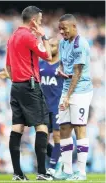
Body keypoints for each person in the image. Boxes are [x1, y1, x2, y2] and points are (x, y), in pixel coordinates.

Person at [3, 5, 53, 181]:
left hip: (16, 86)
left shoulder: (12, 37)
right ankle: (42, 172)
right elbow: (48, 55)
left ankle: (17, 174)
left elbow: (7, 67)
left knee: (17, 128)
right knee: (42, 126)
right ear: (33, 21)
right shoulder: (29, 36)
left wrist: (17, 81)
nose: (40, 23)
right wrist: (43, 35)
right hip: (31, 86)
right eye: (39, 21)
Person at [55, 14, 93, 180]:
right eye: (60, 28)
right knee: (64, 128)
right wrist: (61, 70)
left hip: (81, 90)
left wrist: (67, 97)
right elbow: (64, 62)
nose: (61, 31)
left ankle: (82, 172)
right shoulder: (63, 43)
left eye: (64, 28)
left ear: (74, 27)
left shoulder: (80, 44)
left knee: (79, 128)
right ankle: (67, 171)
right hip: (67, 89)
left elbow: (77, 72)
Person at [39, 37, 64, 177]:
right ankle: (58, 157)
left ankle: (52, 168)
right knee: (42, 140)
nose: (50, 48)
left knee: (57, 137)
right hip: (42, 107)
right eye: (49, 45)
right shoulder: (40, 64)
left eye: (53, 45)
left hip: (56, 107)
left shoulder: (62, 65)